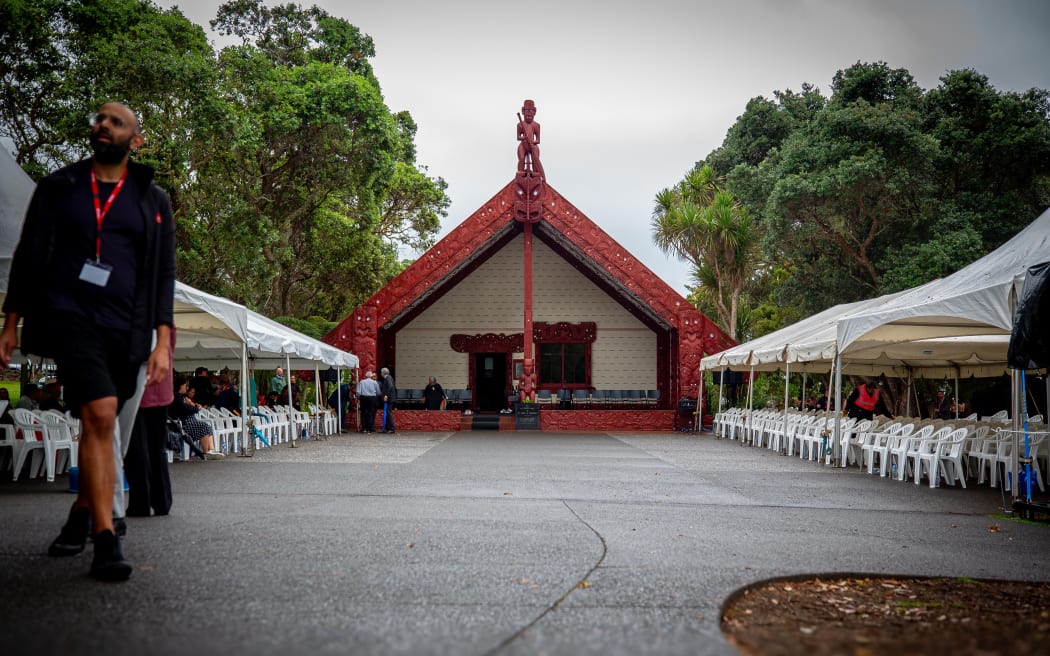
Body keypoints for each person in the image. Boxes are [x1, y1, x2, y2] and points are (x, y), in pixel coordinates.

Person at [0, 101, 175, 582]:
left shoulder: (150, 200)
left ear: (134, 140)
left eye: (117, 122)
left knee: (102, 426)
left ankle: (82, 511)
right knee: (99, 416)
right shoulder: (60, 189)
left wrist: (163, 341)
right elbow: (30, 254)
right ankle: (106, 535)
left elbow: (163, 275)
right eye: (100, 119)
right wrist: (11, 321)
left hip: (129, 329)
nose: (104, 125)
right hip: (73, 319)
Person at [124, 328, 174, 517]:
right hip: (160, 384)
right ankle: (162, 501)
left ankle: (140, 501)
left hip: (137, 385)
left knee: (136, 447)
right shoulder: (165, 323)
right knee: (157, 447)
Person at [170, 374, 224, 459]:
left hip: (189, 421)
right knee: (203, 426)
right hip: (182, 424)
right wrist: (195, 407)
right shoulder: (176, 397)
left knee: (207, 427)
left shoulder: (183, 397)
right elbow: (186, 409)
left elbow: (190, 407)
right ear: (180, 386)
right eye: (185, 385)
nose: (187, 388)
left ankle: (211, 449)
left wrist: (193, 405)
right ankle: (206, 452)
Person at [516, 99, 544, 179]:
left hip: (533, 145)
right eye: (527, 112)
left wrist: (533, 143)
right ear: (523, 112)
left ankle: (536, 173)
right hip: (523, 145)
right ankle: (520, 173)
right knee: (521, 159)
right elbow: (518, 137)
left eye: (531, 112)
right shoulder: (520, 125)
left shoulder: (536, 125)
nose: (528, 115)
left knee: (535, 158)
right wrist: (524, 138)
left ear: (534, 112)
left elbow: (538, 140)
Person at [380, 367, 397, 433]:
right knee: (387, 412)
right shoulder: (388, 378)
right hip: (390, 398)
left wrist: (386, 395)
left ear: (383, 373)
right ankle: (387, 428)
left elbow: (390, 386)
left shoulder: (388, 378)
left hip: (390, 398)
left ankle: (391, 428)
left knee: (389, 413)